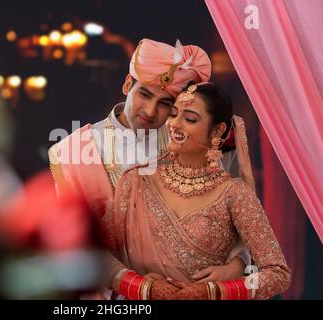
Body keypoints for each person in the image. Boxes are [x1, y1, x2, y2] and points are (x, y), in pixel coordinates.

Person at [48, 39, 251, 298]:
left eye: (166, 103)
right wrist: (137, 285)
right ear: (126, 85)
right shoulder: (73, 151)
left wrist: (237, 263)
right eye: (144, 94)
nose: (151, 111)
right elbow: (73, 245)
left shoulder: (193, 142)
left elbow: (235, 217)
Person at [104, 82, 291, 299]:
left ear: (218, 130)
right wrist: (144, 287)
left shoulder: (234, 194)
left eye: (190, 118)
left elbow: (278, 274)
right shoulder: (136, 181)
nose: (175, 124)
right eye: (173, 114)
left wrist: (214, 291)